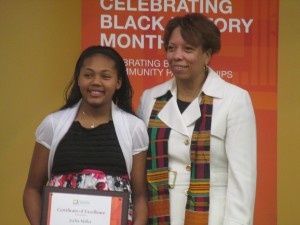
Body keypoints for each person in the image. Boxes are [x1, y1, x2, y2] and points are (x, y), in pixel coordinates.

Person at [137, 13, 257, 225]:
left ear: (207, 55)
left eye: (188, 49)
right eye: (171, 48)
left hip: (212, 216)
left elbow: (242, 179)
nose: (177, 56)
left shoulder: (234, 99)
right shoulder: (150, 98)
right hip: (157, 214)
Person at [23, 45, 149, 225]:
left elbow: (140, 196)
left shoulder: (134, 128)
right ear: (78, 79)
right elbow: (32, 190)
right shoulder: (52, 124)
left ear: (118, 83)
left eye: (105, 76)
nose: (96, 82)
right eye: (88, 75)